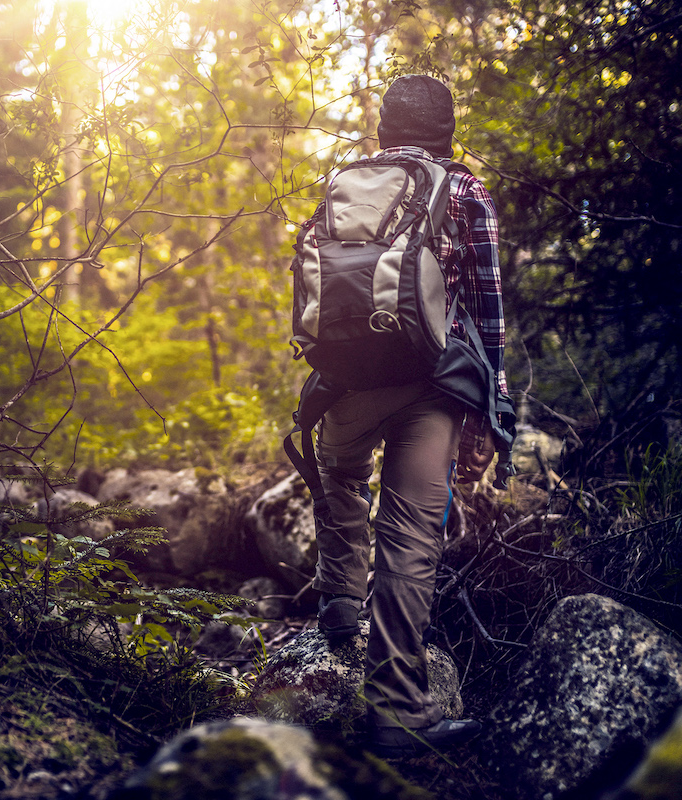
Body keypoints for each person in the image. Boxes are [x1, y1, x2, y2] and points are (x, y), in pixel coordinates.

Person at [310, 74, 509, 757]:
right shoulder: (464, 191)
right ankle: (395, 715)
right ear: (447, 132)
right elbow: (489, 310)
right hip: (431, 385)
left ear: (383, 129)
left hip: (348, 382)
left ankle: (337, 601)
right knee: (411, 539)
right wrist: (495, 401)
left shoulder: (343, 180)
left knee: (336, 472)